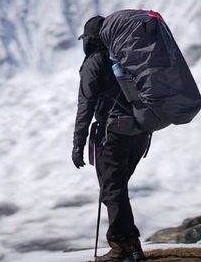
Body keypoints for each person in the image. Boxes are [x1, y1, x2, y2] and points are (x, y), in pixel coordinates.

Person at [72, 15, 149, 262]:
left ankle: (119, 248)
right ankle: (133, 246)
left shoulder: (94, 62)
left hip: (112, 135)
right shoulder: (129, 57)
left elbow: (86, 105)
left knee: (112, 191)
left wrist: (78, 143)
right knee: (117, 190)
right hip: (139, 134)